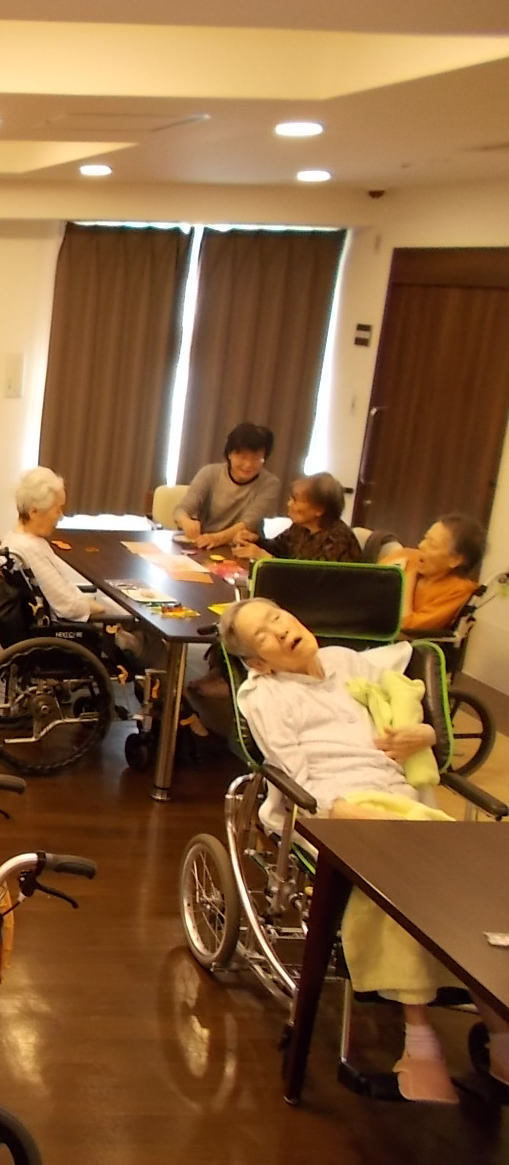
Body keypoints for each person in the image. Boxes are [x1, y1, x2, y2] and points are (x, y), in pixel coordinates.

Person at [220, 596, 509, 1103]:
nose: (280, 629)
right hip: (336, 805)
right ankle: (421, 1039)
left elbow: (411, 681)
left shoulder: (347, 662)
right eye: (263, 634)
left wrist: (423, 733)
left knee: (468, 887)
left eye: (278, 617)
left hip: (401, 802)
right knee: (400, 882)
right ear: (259, 662)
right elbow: (293, 776)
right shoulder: (265, 695)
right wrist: (341, 811)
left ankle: (496, 1022)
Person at [4, 467, 124, 623]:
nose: (61, 516)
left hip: (67, 612)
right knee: (126, 617)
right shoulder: (29, 549)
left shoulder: (15, 539)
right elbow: (68, 607)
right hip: (67, 626)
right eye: (58, 510)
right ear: (34, 512)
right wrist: (101, 609)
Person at [173, 422, 282, 550]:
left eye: (256, 458)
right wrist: (185, 521)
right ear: (230, 454)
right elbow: (181, 509)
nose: (248, 464)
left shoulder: (270, 483)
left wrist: (217, 538)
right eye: (242, 457)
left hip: (243, 548)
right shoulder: (210, 473)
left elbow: (248, 523)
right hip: (204, 544)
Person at [233, 472, 362, 564]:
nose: (289, 504)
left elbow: (309, 579)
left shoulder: (337, 539)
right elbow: (279, 548)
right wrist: (255, 539)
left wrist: (264, 557)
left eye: (296, 501)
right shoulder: (301, 527)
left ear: (319, 509)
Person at [397, 513, 485, 632]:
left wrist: (407, 577)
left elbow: (407, 627)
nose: (421, 545)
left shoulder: (458, 590)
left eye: (432, 545)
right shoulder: (406, 555)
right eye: (425, 538)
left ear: (455, 560)